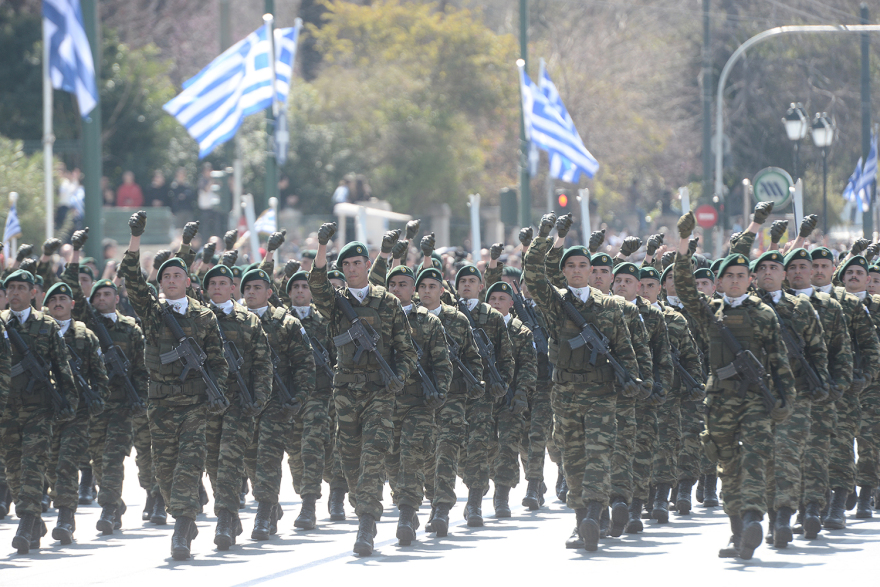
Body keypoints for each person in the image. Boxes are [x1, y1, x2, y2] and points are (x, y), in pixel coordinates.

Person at [674, 210, 796, 561]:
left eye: (742, 276)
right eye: (729, 276)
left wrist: (785, 399)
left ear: (750, 280)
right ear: (719, 280)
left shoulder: (763, 314)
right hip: (720, 400)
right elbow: (683, 285)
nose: (736, 281)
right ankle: (737, 529)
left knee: (755, 458)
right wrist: (684, 242)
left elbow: (779, 360)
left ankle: (754, 516)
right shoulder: (709, 310)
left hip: (757, 399)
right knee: (727, 463)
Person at [523, 213, 644, 552]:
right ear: (563, 272)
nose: (576, 270)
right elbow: (532, 271)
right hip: (565, 393)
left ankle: (594, 511)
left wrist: (632, 380)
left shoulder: (609, 307)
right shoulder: (554, 304)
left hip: (601, 392)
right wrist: (545, 233)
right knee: (573, 458)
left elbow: (624, 349)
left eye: (582, 265)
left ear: (592, 271)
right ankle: (583, 520)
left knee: (599, 455)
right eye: (570, 266)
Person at [118, 211, 229, 560]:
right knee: (162, 471)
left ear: (187, 281)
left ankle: (181, 529)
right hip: (161, 404)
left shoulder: (203, 315)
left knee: (188, 466)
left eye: (177, 275)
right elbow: (133, 282)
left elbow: (218, 361)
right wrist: (135, 239)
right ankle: (181, 513)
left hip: (195, 404)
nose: (170, 280)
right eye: (165, 276)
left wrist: (216, 393)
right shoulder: (153, 312)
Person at [308, 222, 417, 556]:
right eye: (346, 265)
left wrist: (399, 374)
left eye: (357, 263)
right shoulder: (334, 302)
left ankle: (367, 523)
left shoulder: (387, 303)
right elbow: (315, 284)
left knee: (373, 456)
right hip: (346, 394)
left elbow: (407, 351)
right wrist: (322, 246)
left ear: (367, 266)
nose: (352, 269)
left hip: (380, 393)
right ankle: (363, 505)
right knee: (351, 461)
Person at [752, 249, 830, 547]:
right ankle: (772, 516)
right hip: (756, 395)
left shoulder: (801, 309)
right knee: (765, 458)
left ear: (783, 275)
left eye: (775, 267)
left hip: (795, 393)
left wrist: (819, 382)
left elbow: (817, 350)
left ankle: (783, 516)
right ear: (755, 275)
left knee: (787, 454)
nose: (769, 272)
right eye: (764, 268)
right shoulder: (745, 308)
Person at [1, 269, 77, 554]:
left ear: (33, 292)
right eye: (11, 288)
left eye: (22, 287)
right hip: (7, 409)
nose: (15, 293)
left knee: (33, 464)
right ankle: (34, 523)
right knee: (14, 468)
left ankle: (27, 520)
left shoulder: (46, 325)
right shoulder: (0, 324)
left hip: (38, 409)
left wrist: (68, 400)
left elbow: (62, 366)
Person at [202, 263, 273, 550]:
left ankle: (225, 517)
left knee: (230, 459)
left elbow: (263, 363)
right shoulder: (199, 319)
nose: (217, 287)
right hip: (208, 402)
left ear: (233, 288)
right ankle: (229, 514)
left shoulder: (248, 321)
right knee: (213, 462)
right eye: (213, 284)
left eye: (223, 283)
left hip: (239, 403)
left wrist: (259, 398)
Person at [43, 280, 110, 541]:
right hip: (46, 412)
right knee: (49, 464)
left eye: (63, 299)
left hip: (77, 412)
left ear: (72, 304)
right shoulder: (39, 333)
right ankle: (61, 503)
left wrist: (98, 399)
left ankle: (65, 516)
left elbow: (100, 375)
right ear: (46, 306)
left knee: (66, 464)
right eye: (53, 300)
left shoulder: (85, 336)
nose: (58, 303)